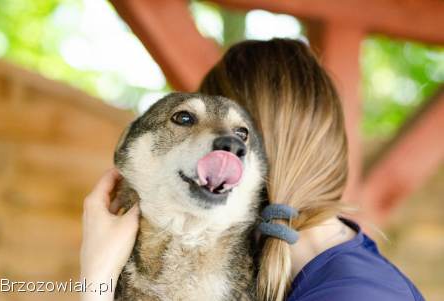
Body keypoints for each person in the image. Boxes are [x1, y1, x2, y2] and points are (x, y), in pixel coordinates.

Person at [80, 39, 424, 301]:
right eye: (186, 121)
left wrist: (94, 282)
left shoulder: (357, 293)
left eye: (237, 132)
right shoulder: (268, 272)